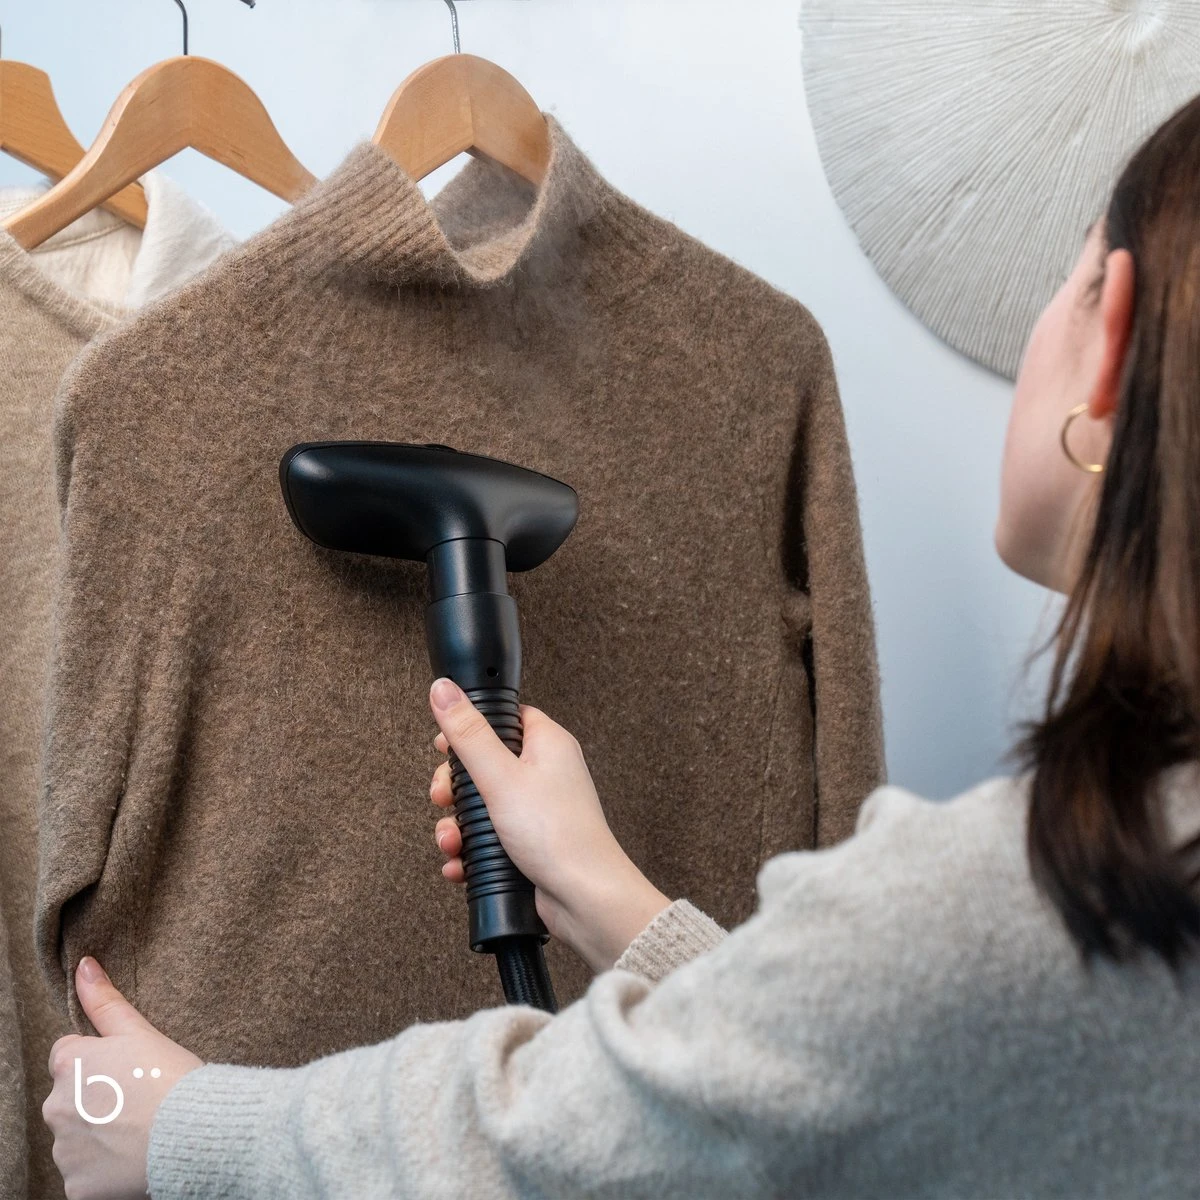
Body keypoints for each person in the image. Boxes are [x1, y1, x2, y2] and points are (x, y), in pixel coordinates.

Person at [42, 92, 1200, 1200]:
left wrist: (184, 1126)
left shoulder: (1060, 892)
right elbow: (830, 1090)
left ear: (1111, 339)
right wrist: (607, 896)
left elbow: (578, 1141)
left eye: (1065, 280)